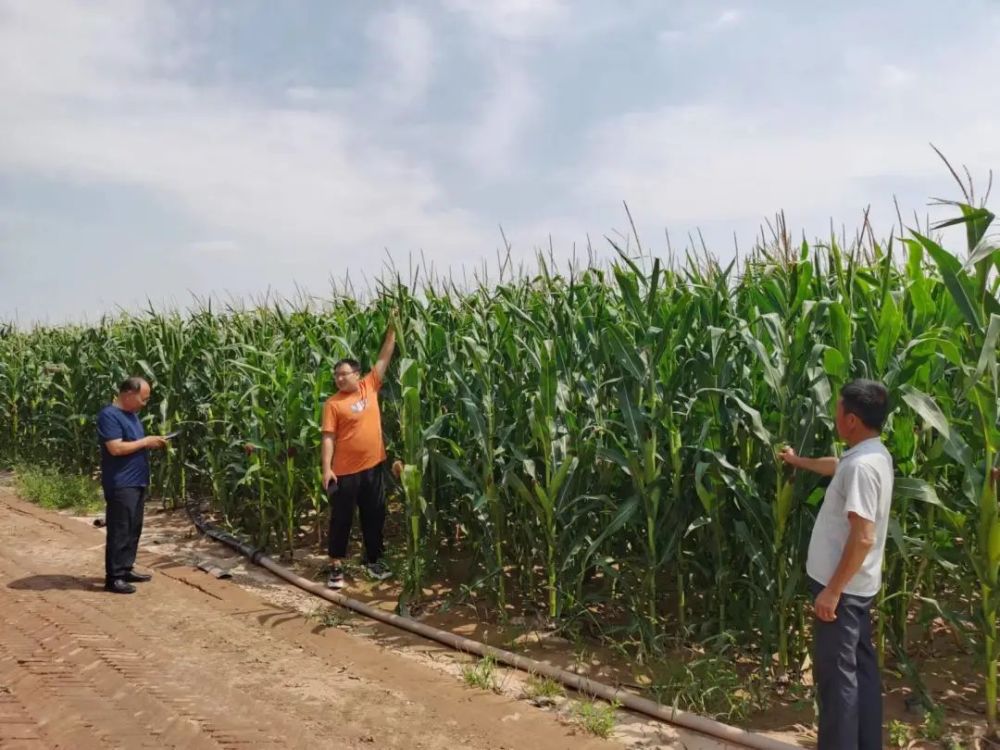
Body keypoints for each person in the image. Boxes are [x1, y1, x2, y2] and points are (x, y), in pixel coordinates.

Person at [779, 379, 893, 750]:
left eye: (838, 409)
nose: (834, 415)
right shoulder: (871, 454)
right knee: (860, 673)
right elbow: (836, 466)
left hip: (842, 594)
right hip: (857, 590)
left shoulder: (862, 467)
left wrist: (832, 591)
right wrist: (798, 462)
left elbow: (862, 537)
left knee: (836, 682)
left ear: (853, 420)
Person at [321, 319, 396, 589]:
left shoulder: (370, 385)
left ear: (357, 374)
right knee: (341, 519)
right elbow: (328, 437)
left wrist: (393, 327)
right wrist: (327, 468)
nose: (339, 378)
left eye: (344, 374)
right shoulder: (332, 404)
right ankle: (336, 567)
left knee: (374, 515)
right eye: (336, 375)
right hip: (345, 472)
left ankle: (373, 561)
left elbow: (385, 354)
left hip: (373, 468)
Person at [96, 377, 168, 594]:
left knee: (133, 528)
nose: (144, 404)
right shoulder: (109, 415)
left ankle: (126, 568)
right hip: (121, 483)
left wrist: (151, 443)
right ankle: (114, 577)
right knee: (120, 529)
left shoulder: (132, 416)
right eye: (143, 399)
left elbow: (132, 446)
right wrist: (146, 441)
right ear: (128, 393)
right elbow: (115, 448)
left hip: (137, 481)